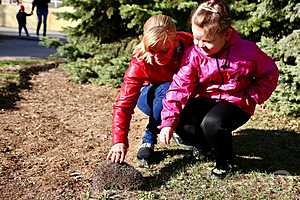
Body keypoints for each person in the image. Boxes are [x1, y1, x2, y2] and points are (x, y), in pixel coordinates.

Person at [159, 0, 279, 179]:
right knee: (181, 121)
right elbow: (179, 87)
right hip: (207, 98)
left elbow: (270, 73)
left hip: (236, 101)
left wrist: (251, 96)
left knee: (212, 123)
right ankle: (204, 148)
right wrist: (168, 122)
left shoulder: (247, 51)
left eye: (206, 41)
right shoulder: (194, 54)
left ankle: (226, 162)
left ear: (226, 34)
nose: (199, 44)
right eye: (195, 38)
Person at [106, 15, 193, 166]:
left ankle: (179, 128)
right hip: (150, 97)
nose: (157, 57)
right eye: (152, 51)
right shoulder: (139, 62)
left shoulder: (188, 43)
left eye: (164, 50)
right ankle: (149, 136)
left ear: (175, 40)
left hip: (184, 95)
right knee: (167, 88)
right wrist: (119, 140)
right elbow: (124, 104)